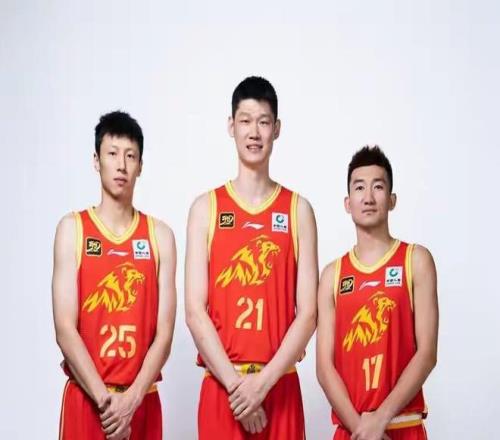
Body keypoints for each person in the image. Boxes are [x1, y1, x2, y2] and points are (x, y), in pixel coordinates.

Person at [185, 76, 318, 439]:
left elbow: (308, 313)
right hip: (222, 387)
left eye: (263, 121)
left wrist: (262, 384)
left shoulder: (298, 211)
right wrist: (237, 386)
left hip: (279, 385)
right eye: (245, 121)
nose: (254, 132)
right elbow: (195, 310)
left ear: (277, 128)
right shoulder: (206, 208)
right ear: (231, 126)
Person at [52, 111, 176, 440]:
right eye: (112, 153)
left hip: (141, 401)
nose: (121, 165)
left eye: (130, 156)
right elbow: (65, 329)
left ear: (141, 165)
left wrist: (131, 401)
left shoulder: (160, 237)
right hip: (88, 400)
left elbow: (164, 334)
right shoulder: (73, 230)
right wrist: (108, 404)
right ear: (96, 161)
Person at [316, 146, 438, 440]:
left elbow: (427, 353)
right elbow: (324, 366)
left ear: (392, 200)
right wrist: (363, 429)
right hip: (353, 430)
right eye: (359, 187)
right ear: (348, 203)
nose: (368, 197)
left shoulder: (416, 260)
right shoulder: (333, 275)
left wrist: (380, 419)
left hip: (403, 425)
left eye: (378, 187)